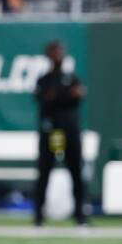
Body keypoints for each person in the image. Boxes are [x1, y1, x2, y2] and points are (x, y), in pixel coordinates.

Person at [33, 41, 87, 227]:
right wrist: (65, 95)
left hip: (69, 130)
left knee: (75, 171)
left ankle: (80, 215)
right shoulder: (45, 79)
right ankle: (39, 215)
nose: (58, 55)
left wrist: (59, 96)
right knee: (46, 170)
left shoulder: (71, 77)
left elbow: (78, 95)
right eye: (54, 52)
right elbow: (46, 99)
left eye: (60, 52)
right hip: (54, 133)